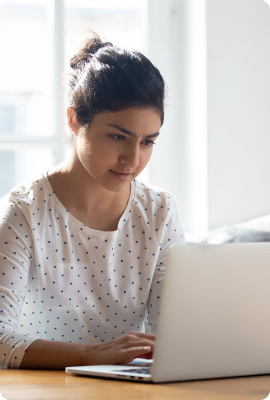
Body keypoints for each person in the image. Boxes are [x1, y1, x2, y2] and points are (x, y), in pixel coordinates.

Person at [0, 31, 185, 369]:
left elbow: (173, 337)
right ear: (74, 121)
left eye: (148, 142)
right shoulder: (24, 211)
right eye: (118, 136)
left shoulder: (160, 213)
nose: (133, 159)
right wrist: (90, 356)